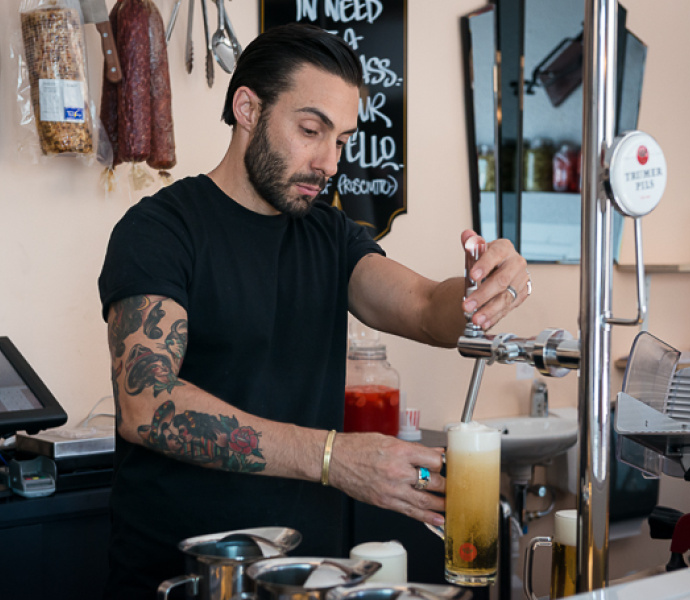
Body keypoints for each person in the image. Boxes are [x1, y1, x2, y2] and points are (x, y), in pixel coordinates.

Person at [98, 23, 530, 598]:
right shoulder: (160, 231)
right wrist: (332, 457)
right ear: (247, 109)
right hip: (185, 579)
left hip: (307, 579)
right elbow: (147, 405)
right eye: (310, 130)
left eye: (343, 141)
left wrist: (485, 285)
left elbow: (429, 309)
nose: (329, 162)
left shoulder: (330, 235)